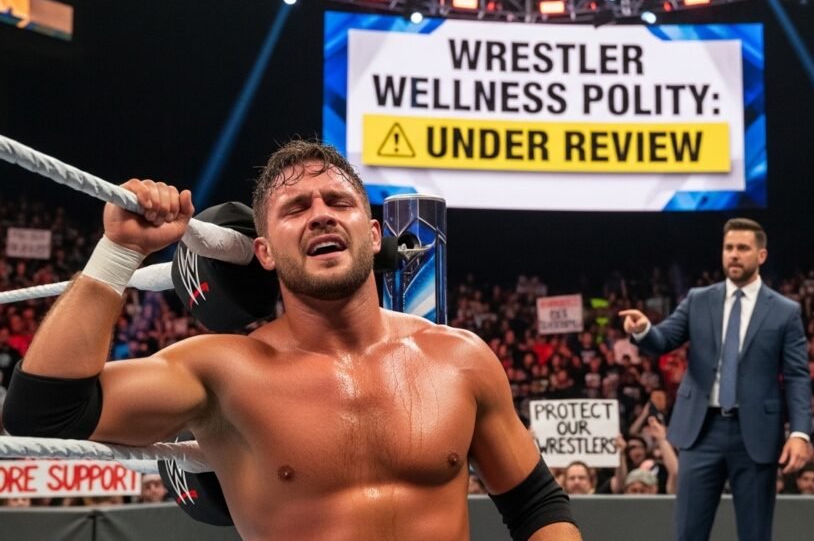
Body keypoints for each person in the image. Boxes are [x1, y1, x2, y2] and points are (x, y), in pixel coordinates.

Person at [1, 140, 579, 541]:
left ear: (373, 233)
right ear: (265, 251)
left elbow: (535, 504)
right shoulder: (223, 373)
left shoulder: (461, 359)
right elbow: (42, 411)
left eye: (339, 202)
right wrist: (120, 250)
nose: (321, 215)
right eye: (296, 209)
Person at [619, 218, 812, 541]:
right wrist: (643, 330)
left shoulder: (785, 311)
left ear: (761, 255)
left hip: (756, 435)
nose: (734, 254)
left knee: (755, 534)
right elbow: (663, 339)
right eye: (728, 248)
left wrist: (801, 433)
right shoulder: (698, 299)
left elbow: (797, 376)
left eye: (743, 248)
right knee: (688, 533)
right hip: (701, 431)